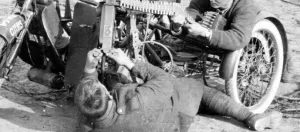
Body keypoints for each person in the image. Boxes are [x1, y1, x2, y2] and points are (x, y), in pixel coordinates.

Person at [75, 47, 282, 132]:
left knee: (118, 80)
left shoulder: (87, 124)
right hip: (175, 116)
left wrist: (89, 69)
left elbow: (90, 95)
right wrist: (129, 63)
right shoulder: (140, 99)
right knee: (199, 91)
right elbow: (162, 78)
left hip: (148, 123)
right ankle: (250, 117)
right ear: (110, 99)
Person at [171, 0, 260, 51]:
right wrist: (179, 25)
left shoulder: (246, 5)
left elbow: (239, 38)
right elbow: (193, 10)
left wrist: (205, 33)